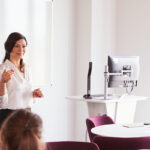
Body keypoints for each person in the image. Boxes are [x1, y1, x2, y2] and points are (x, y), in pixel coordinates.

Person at [0, 32, 43, 127]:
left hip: (27, 115)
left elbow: (23, 96)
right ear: (9, 47)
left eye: (23, 46)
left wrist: (33, 94)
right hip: (10, 117)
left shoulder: (27, 68)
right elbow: (2, 104)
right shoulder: (2, 69)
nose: (21, 49)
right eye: (17, 46)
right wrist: (2, 82)